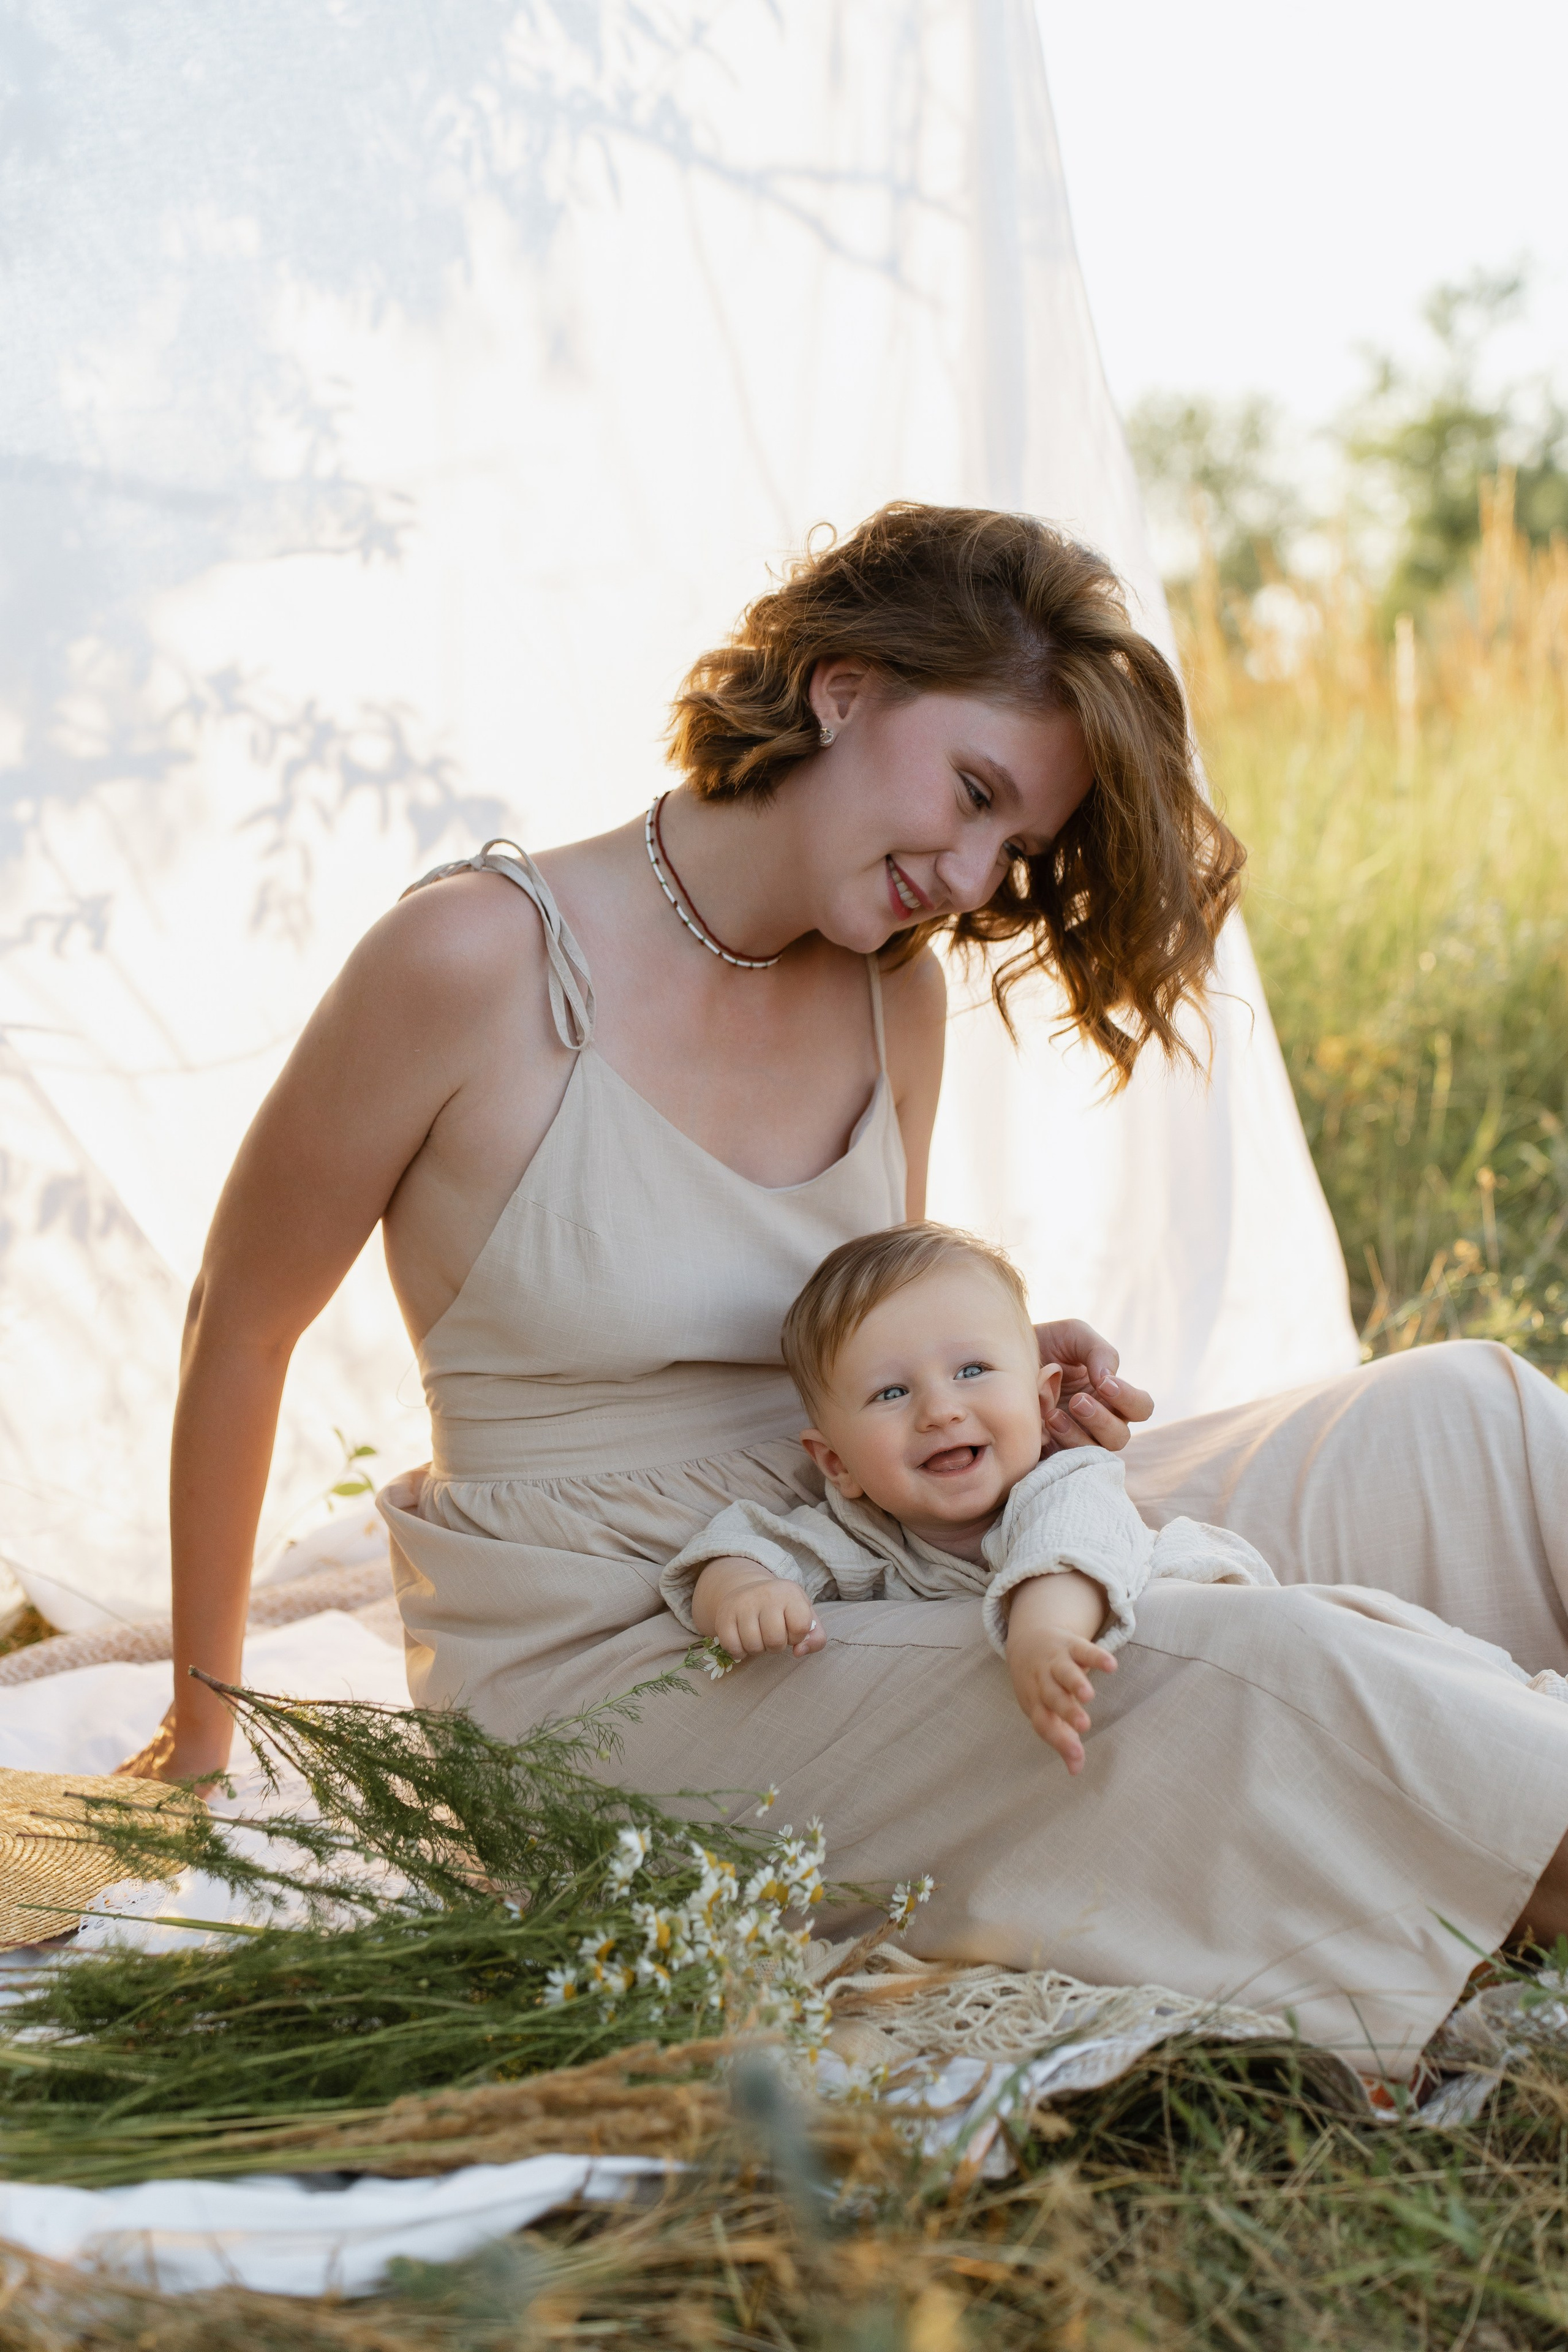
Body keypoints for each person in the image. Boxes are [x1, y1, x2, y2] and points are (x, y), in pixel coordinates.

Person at [125, 502, 1568, 2074]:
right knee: (1242, 1671)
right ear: (840, 688)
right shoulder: (474, 959)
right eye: (972, 793)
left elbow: (862, 1325)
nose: (970, 872)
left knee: (1462, 1420)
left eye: (1013, 847)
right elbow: (238, 1325)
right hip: (620, 1652)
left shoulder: (895, 997)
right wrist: (204, 1732)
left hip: (866, 1527)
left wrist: (986, 1371)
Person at [665, 1220, 1276, 1770]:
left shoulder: (1068, 1482)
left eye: (971, 1371)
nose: (941, 1410)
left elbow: (1067, 1553)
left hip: (1202, 1646)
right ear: (836, 1463)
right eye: (891, 1393)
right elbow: (740, 1544)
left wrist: (1041, 1634)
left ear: (1043, 1402)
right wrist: (743, 1593)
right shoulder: (860, 1532)